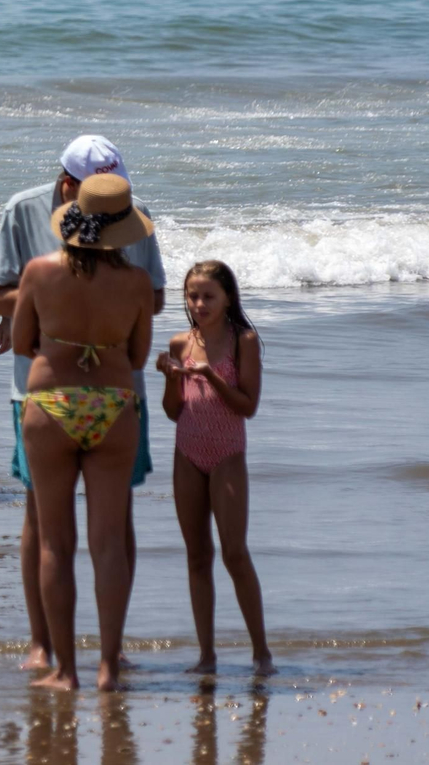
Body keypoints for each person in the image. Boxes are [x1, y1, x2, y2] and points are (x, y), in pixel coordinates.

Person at [0, 134, 166, 672]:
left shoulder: (41, 274)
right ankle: (103, 663)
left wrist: (51, 310)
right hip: (114, 398)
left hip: (50, 397)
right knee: (98, 537)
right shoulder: (128, 278)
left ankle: (65, 670)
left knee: (54, 542)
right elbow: (140, 340)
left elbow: (21, 340)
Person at [157, 260, 275, 677]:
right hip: (186, 453)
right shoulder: (179, 344)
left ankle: (261, 653)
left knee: (234, 553)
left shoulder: (242, 341)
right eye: (192, 295)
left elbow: (248, 406)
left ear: (228, 298)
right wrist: (172, 378)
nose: (199, 303)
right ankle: (206, 655)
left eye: (208, 295)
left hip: (228, 456)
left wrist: (211, 375)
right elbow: (174, 412)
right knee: (197, 556)